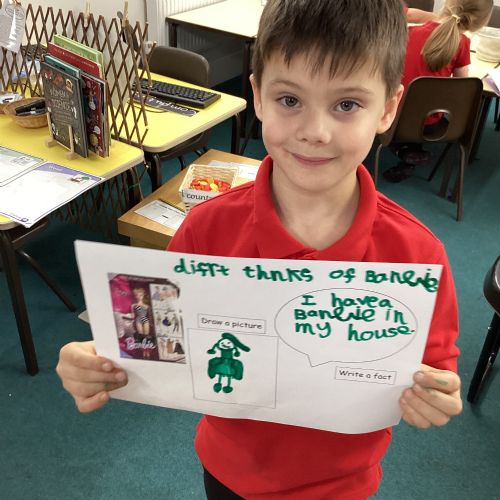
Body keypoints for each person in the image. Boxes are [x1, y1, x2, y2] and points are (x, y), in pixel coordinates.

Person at [56, 1, 463, 498]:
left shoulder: (418, 254)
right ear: (258, 97)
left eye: (346, 105)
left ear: (388, 108)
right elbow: (153, 337)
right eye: (290, 99)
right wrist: (96, 362)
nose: (315, 131)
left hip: (343, 486)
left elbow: (435, 367)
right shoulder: (205, 230)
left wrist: (435, 394)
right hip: (229, 472)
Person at [384, 0, 493, 182]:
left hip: (393, 114)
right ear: (480, 23)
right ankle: (408, 152)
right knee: (428, 104)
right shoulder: (462, 43)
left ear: (447, 5)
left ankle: (403, 150)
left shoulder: (410, 32)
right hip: (430, 123)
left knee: (411, 103)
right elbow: (462, 90)